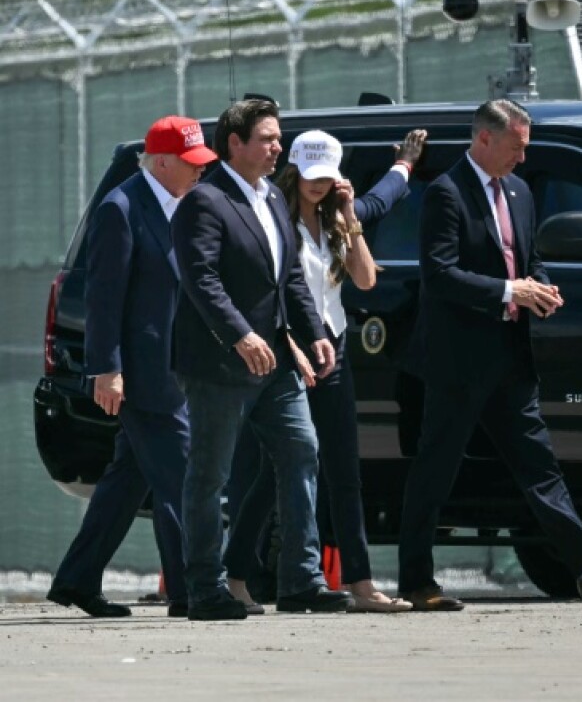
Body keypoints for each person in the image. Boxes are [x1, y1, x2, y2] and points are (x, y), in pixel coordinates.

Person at [397, 99, 582, 611]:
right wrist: (509, 291)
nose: (522, 157)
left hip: (510, 357)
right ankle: (416, 581)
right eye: (516, 146)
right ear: (485, 139)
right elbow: (440, 275)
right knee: (435, 470)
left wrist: (541, 288)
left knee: (540, 466)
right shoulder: (446, 194)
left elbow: (527, 259)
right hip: (457, 362)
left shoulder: (519, 191)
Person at [225, 128, 427, 613]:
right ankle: (235, 576)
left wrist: (354, 212)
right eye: (309, 176)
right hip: (285, 352)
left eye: (327, 178)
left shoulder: (339, 217)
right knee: (276, 472)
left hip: (331, 349)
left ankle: (360, 582)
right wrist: (291, 343)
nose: (317, 185)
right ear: (293, 170)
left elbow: (364, 277)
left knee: (344, 470)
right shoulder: (271, 215)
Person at [171, 97, 349, 620]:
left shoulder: (273, 196)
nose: (278, 148)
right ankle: (204, 588)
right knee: (210, 476)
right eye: (268, 139)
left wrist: (313, 332)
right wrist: (240, 335)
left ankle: (301, 581)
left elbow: (290, 275)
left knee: (301, 451)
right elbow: (201, 279)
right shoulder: (204, 201)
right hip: (222, 362)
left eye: (278, 138)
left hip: (277, 363)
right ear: (235, 144)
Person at [47, 116, 217, 618]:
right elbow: (105, 298)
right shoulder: (120, 209)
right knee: (181, 475)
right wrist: (106, 369)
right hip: (143, 374)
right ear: (161, 161)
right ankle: (193, 590)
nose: (199, 173)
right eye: (191, 164)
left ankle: (77, 580)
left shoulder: (181, 205)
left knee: (128, 478)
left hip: (176, 365)